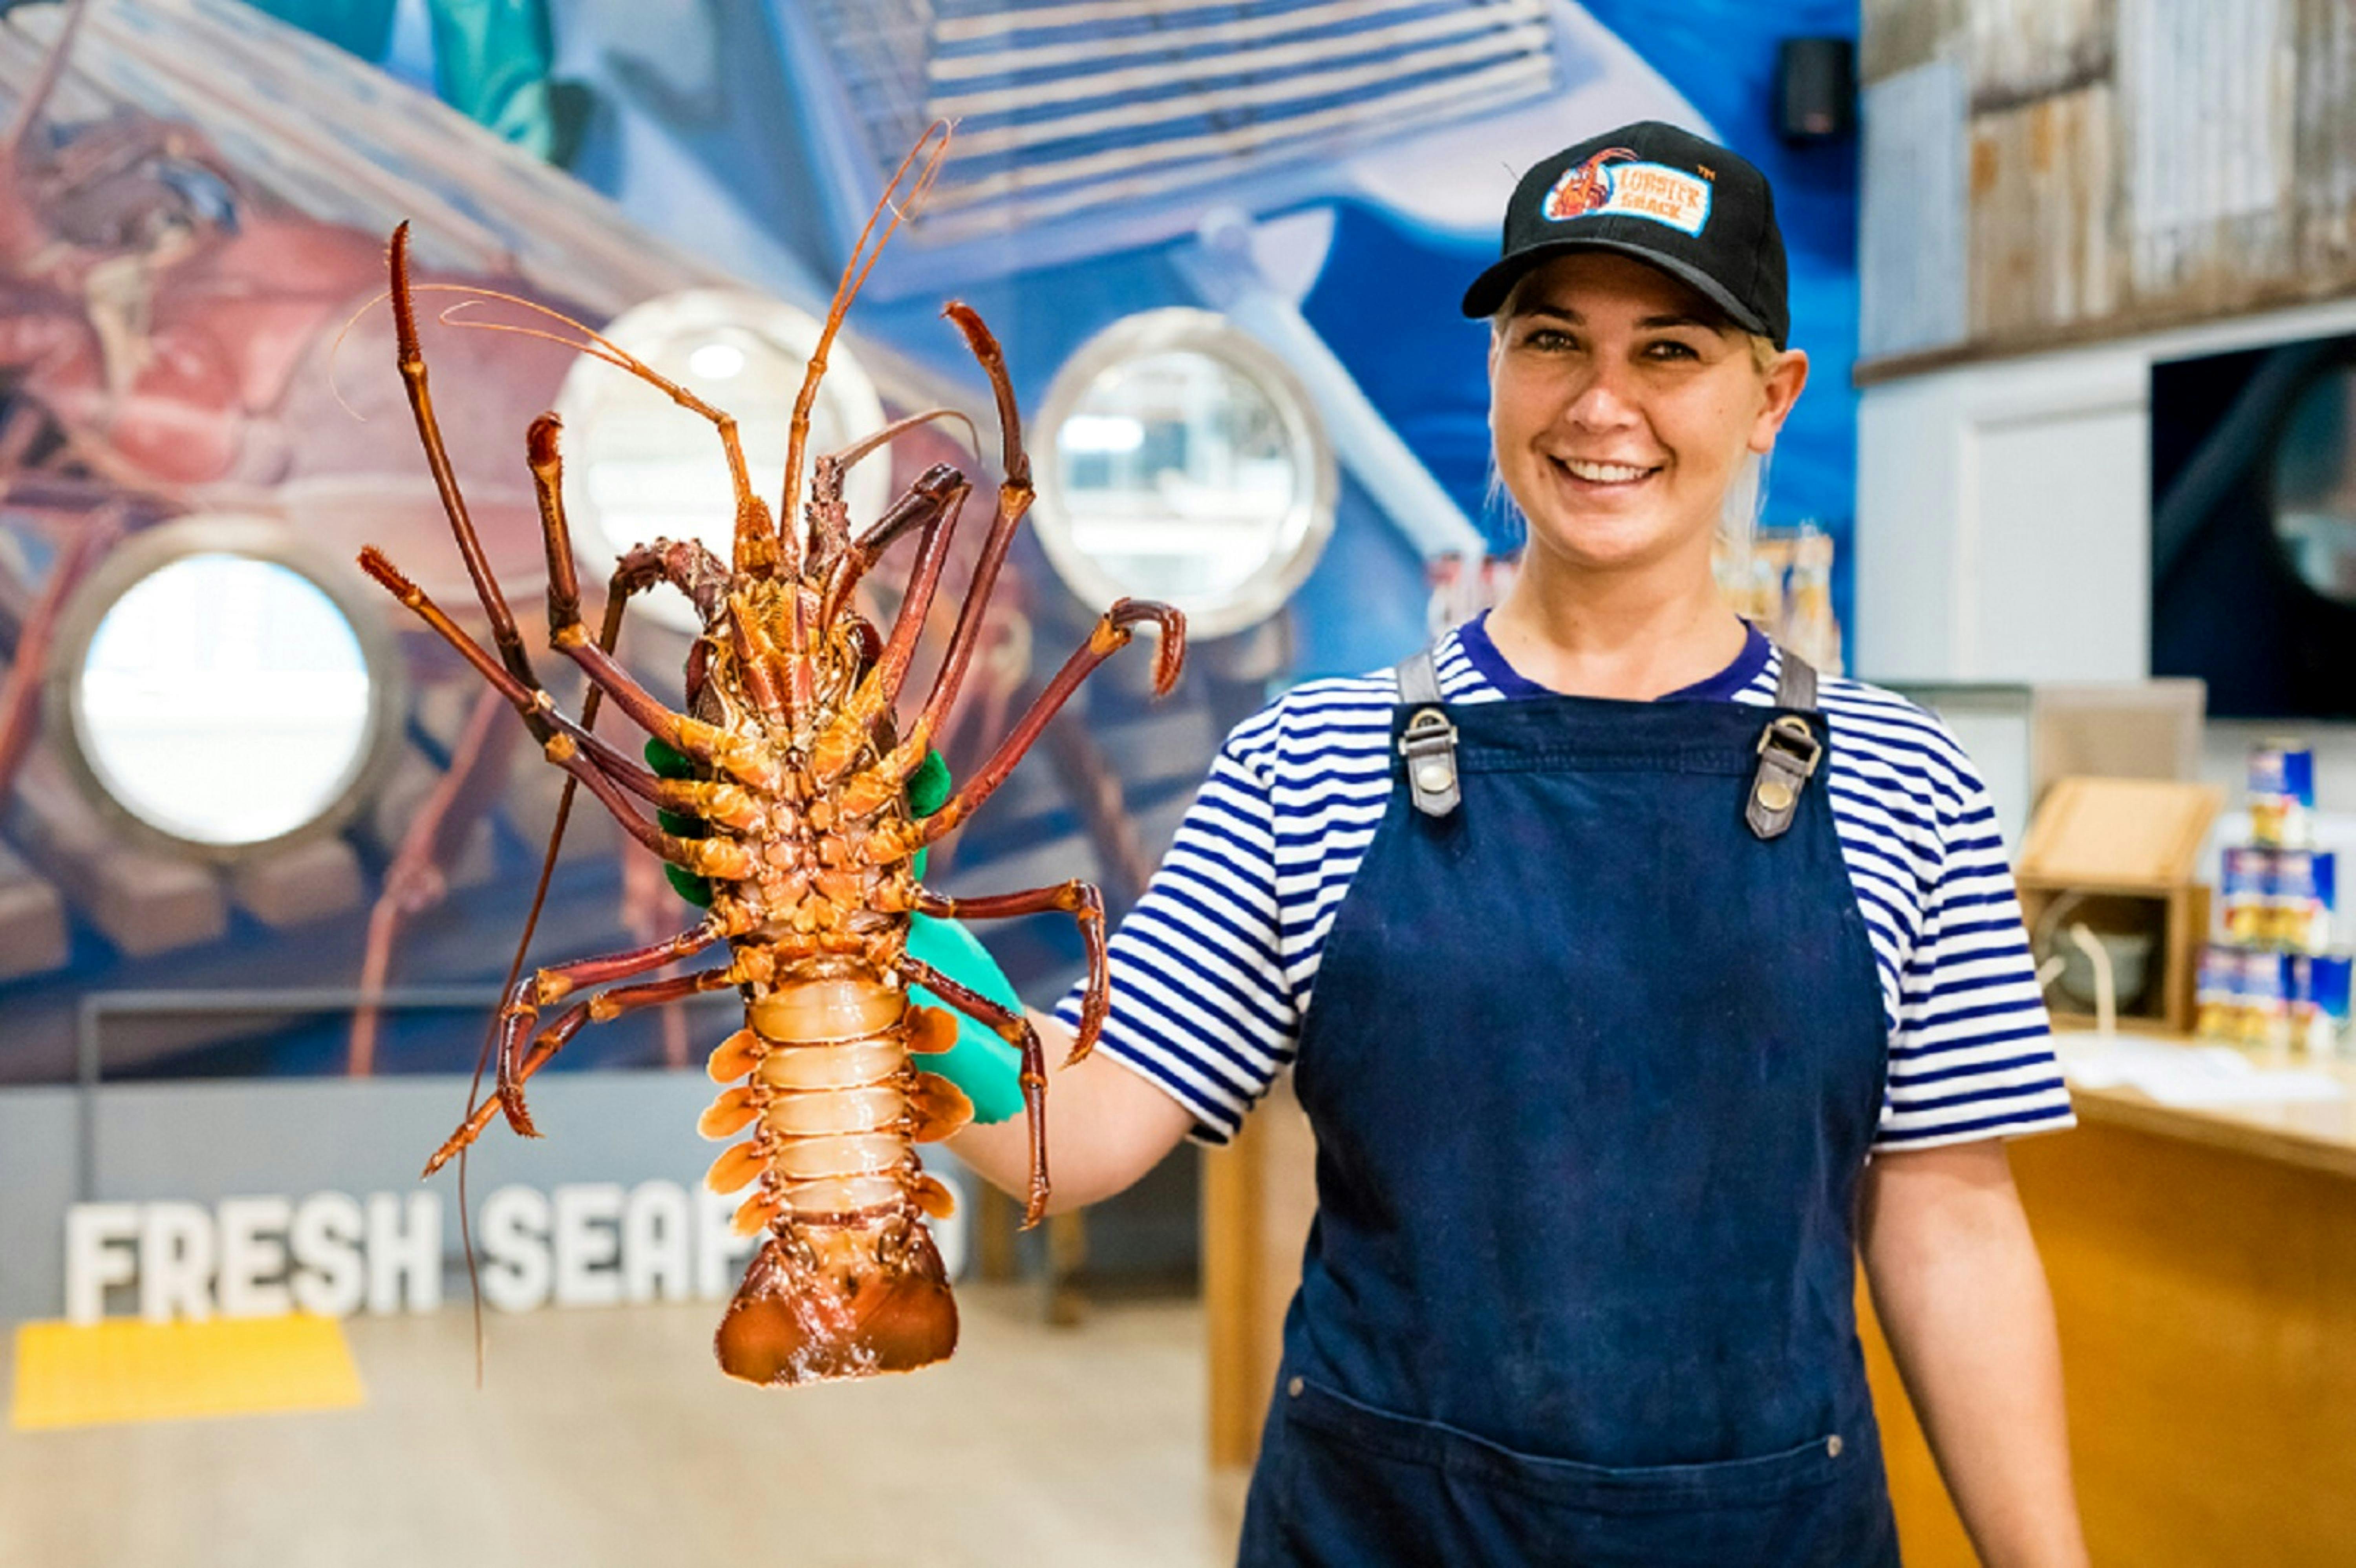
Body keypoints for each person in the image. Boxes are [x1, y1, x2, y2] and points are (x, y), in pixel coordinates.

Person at [933, 121, 2090, 1567]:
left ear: (1771, 397)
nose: (1603, 404)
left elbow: (1952, 1232)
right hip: (1384, 1532)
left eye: (1670, 351)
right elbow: (1085, 1125)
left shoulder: (1906, 779)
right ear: (1495, 375)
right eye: (1554, 340)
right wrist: (869, 945)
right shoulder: (1313, 760)